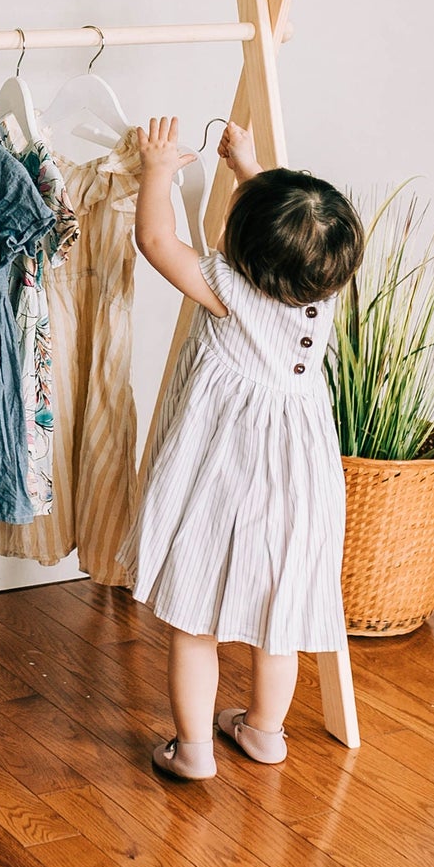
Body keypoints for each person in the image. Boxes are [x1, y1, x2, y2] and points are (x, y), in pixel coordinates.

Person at [121, 117, 364, 779]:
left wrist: (157, 172)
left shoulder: (226, 287)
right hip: (300, 485)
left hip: (226, 479)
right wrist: (247, 167)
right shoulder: (321, 289)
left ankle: (193, 750)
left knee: (195, 618)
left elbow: (156, 240)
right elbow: (288, 233)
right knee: (278, 617)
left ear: (241, 249)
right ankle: (264, 732)